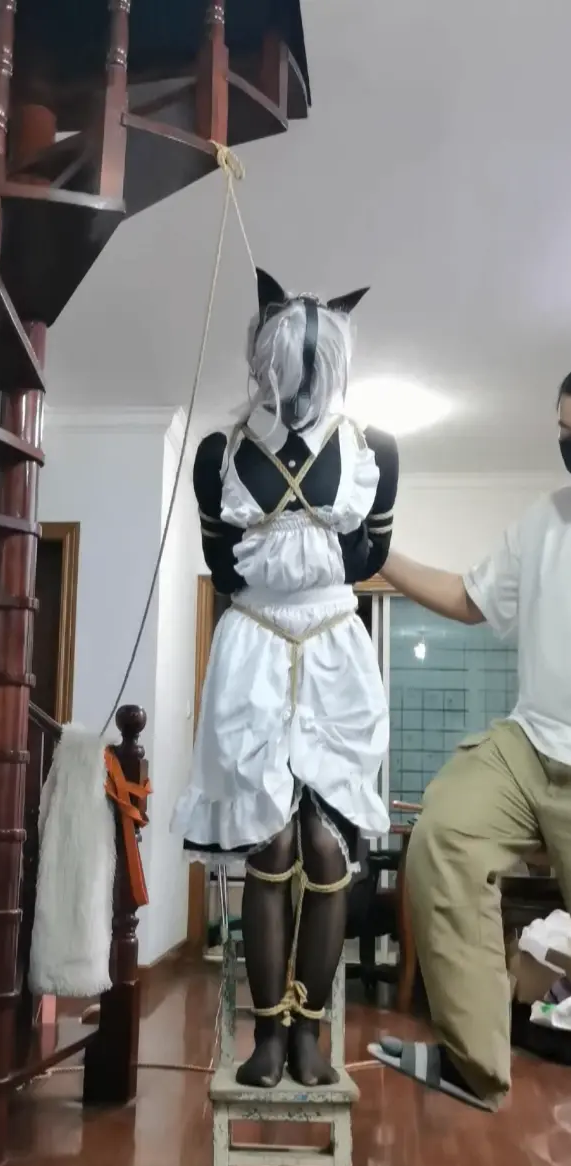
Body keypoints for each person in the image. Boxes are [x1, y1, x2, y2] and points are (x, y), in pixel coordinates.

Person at [172, 267, 399, 1087]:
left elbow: (367, 561)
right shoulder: (218, 454)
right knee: (268, 844)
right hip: (256, 646)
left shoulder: (375, 452)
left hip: (335, 649)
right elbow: (222, 566)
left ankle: (309, 1032)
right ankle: (266, 1034)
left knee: (327, 850)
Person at [369, 374, 571, 1110]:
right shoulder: (545, 521)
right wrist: (376, 556)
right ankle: (475, 1065)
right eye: (562, 431)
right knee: (444, 833)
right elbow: (467, 596)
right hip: (531, 740)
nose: (566, 443)